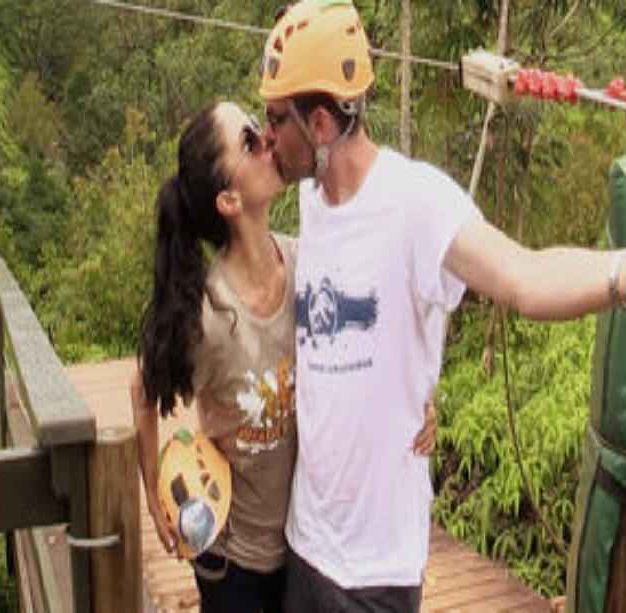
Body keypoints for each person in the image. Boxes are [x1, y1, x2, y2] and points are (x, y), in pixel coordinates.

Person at [256, 1, 626, 611]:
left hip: (375, 569)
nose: (267, 135)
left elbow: (524, 274)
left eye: (277, 119)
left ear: (322, 123)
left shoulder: (417, 202)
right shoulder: (311, 203)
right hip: (306, 542)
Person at [129, 101, 437, 613]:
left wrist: (417, 399)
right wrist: (154, 499)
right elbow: (143, 390)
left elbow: (365, 346)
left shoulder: (305, 264)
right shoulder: (208, 317)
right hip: (233, 564)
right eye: (248, 140)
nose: (268, 138)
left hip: (304, 550)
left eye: (259, 123)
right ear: (228, 199)